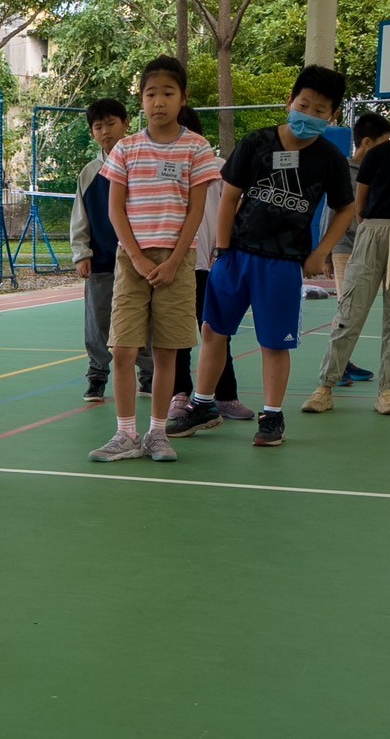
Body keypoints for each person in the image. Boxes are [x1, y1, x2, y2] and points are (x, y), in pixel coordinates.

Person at [167, 65, 355, 445]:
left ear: (331, 116)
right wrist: (223, 250)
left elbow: (346, 208)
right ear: (290, 102)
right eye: (304, 104)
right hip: (236, 256)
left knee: (274, 342)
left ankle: (272, 416)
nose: (310, 114)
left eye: (320, 110)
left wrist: (320, 252)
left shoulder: (330, 158)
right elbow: (229, 197)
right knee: (213, 331)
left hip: (284, 264)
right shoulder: (257, 143)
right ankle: (203, 405)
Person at [88, 56, 221, 463]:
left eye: (167, 93)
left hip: (177, 262)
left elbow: (196, 212)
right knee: (124, 350)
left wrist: (174, 260)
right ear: (141, 101)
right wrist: (139, 259)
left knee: (167, 352)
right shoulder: (126, 149)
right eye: (150, 94)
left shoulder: (197, 148)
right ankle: (125, 433)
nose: (158, 101)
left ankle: (158, 433)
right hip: (132, 261)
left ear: (183, 98)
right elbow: (115, 211)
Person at [301, 82, 390, 416]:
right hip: (371, 233)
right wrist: (371, 231)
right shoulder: (378, 155)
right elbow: (360, 203)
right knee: (349, 313)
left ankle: (387, 391)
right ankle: (325, 386)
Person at [169, 106, 254, 422]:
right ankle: (179, 394)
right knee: (177, 335)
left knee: (217, 333)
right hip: (176, 264)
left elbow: (235, 208)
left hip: (212, 265)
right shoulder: (165, 169)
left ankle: (226, 395)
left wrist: (226, 251)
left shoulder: (219, 169)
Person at [69, 98, 154, 403]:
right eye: (98, 126)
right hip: (102, 261)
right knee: (97, 321)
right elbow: (80, 217)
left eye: (110, 124)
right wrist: (82, 253)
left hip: (140, 261)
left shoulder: (144, 164)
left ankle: (148, 374)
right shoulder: (90, 173)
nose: (105, 131)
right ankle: (96, 377)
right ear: (93, 132)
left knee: (143, 319)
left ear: (126, 123)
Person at [319, 111, 390, 387]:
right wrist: (326, 254)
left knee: (356, 310)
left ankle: (344, 362)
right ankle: (336, 368)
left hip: (370, 248)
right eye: (385, 141)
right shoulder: (346, 172)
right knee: (347, 309)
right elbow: (331, 213)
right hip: (345, 247)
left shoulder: (378, 173)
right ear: (367, 142)